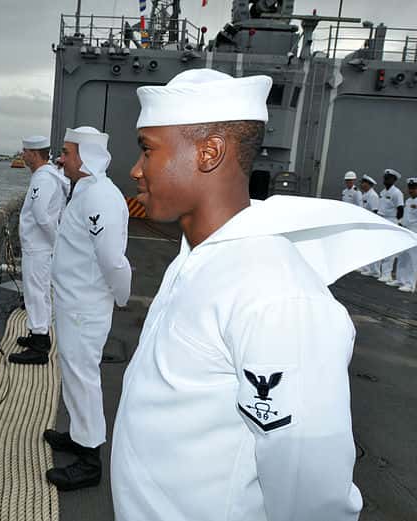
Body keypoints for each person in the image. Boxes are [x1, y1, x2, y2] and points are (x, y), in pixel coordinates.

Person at [110, 69, 417, 521]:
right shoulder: (197, 257)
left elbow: (312, 500)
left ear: (209, 152)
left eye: (147, 149)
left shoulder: (274, 293)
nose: (136, 169)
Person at [44, 126, 131, 491]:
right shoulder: (85, 191)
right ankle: (80, 437)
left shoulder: (101, 198)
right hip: (72, 303)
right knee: (75, 373)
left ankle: (89, 459)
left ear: (86, 156)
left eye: (67, 152)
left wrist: (121, 298)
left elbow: (113, 261)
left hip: (84, 307)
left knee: (84, 379)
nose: (61, 158)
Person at [9, 135, 69, 365]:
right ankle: (37, 334)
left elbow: (42, 216)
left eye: (25, 151)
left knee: (35, 293)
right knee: (39, 293)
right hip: (41, 246)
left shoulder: (43, 180)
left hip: (38, 247)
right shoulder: (48, 176)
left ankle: (40, 346)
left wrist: (55, 244)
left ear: (34, 154)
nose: (22, 155)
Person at [377, 168, 405, 284]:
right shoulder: (383, 192)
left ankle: (387, 274)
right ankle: (381, 272)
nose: (386, 180)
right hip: (382, 220)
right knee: (382, 247)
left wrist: (396, 222)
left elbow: (400, 210)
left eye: (388, 178)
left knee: (390, 249)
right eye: (385, 178)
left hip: (392, 220)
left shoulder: (397, 193)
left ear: (394, 180)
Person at [392, 178, 417, 292]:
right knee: (402, 257)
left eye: (414, 188)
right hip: (406, 231)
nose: (411, 190)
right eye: (410, 188)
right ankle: (400, 279)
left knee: (413, 259)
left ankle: (410, 284)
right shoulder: (408, 201)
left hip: (415, 233)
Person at [359, 174, 381, 277]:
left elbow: (375, 211)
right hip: (365, 223)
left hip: (370, 224)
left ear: (369, 184)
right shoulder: (365, 194)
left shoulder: (373, 196)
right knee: (364, 246)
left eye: (364, 183)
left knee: (371, 247)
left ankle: (373, 270)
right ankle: (365, 266)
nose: (362, 185)